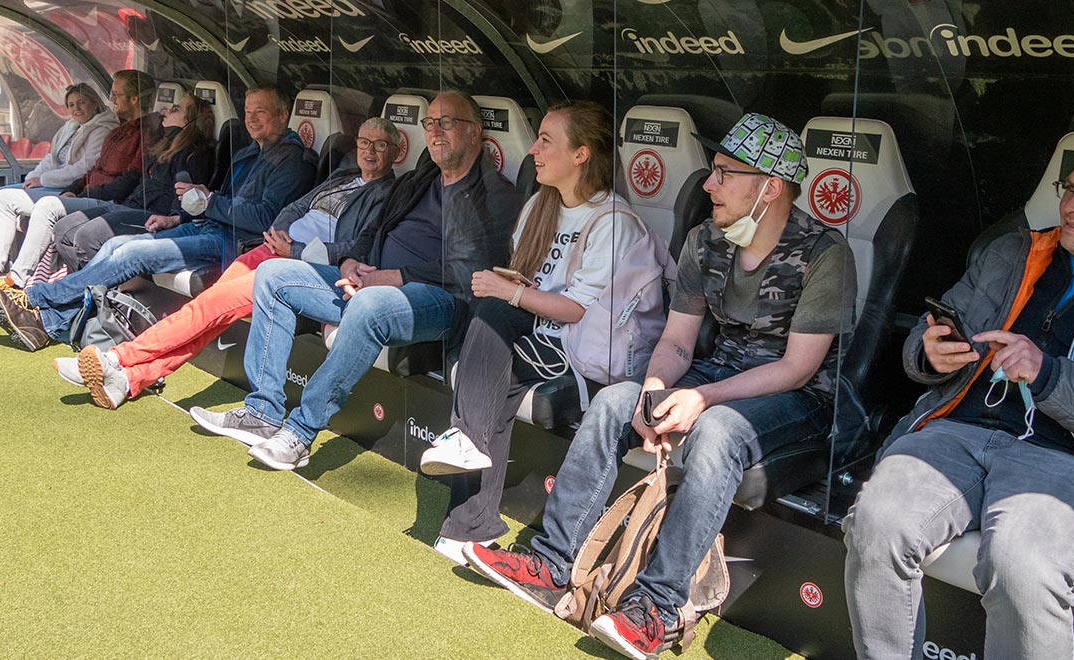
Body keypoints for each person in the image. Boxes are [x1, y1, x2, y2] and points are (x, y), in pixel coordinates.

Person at [462, 114, 856, 660]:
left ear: (770, 186)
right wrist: (652, 389)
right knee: (614, 401)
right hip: (716, 372)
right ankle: (552, 563)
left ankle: (656, 608)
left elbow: (797, 369)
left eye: (723, 174)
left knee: (719, 432)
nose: (708, 186)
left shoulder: (825, 252)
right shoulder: (704, 241)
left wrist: (702, 398)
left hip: (798, 399)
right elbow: (675, 341)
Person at [843, 120, 1074, 659]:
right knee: (877, 520)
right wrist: (930, 352)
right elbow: (926, 338)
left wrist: (1050, 375)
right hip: (957, 430)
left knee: (1024, 562)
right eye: (1070, 189)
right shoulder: (1012, 253)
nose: (1073, 206)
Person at [189, 91, 521, 473]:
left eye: (447, 123)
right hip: (369, 283)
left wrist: (392, 278)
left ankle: (300, 432)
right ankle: (261, 412)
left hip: (437, 300)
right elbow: (373, 230)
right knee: (272, 275)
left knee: (369, 304)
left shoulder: (496, 195)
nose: (435, 132)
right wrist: (351, 263)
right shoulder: (419, 179)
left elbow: (473, 269)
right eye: (430, 123)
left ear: (476, 132)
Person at [415, 101, 649, 563]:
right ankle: (470, 527)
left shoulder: (613, 220)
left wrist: (509, 293)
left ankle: (464, 465)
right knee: (484, 378)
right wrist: (513, 288)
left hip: (580, 348)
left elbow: (577, 311)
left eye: (546, 140)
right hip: (538, 334)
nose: (534, 150)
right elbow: (532, 285)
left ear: (581, 154)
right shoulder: (539, 208)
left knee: (491, 316)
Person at [64, 118, 399, 410]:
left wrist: (294, 250)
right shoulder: (342, 177)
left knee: (211, 306)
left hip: (299, 268)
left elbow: (359, 247)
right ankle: (132, 378)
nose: (369, 151)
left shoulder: (390, 192)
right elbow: (294, 208)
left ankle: (120, 358)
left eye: (380, 145)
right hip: (270, 249)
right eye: (364, 142)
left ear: (395, 153)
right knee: (210, 311)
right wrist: (280, 234)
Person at [0, 85, 315, 352]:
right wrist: (184, 215)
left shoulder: (293, 160)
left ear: (284, 115)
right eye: (248, 111)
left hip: (235, 244)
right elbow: (218, 202)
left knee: (129, 252)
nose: (252, 119)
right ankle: (47, 323)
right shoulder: (247, 152)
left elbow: (265, 218)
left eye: (262, 112)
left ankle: (35, 300)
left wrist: (209, 202)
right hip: (207, 227)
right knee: (117, 246)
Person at [0, 93, 213, 288]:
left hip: (147, 212)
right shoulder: (158, 143)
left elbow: (173, 194)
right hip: (123, 202)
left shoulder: (189, 151)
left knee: (84, 232)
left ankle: (34, 284)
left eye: (175, 109)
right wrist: (76, 190)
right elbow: (96, 169)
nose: (166, 111)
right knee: (62, 227)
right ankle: (62, 289)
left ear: (189, 120)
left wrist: (173, 217)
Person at [0, 70, 158, 288]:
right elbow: (92, 169)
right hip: (85, 192)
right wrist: (72, 189)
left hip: (108, 201)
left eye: (116, 94)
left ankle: (16, 280)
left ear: (134, 99)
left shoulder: (146, 132)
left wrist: (80, 192)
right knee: (1, 198)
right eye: (71, 104)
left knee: (48, 205)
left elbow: (128, 181)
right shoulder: (118, 131)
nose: (111, 99)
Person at [0, 83, 116, 273]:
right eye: (71, 105)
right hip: (48, 183)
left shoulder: (102, 129)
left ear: (94, 104)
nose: (76, 109)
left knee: (1, 200)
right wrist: (33, 177)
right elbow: (51, 159)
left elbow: (83, 169)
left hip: (67, 187)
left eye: (81, 103)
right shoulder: (71, 127)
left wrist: (42, 180)